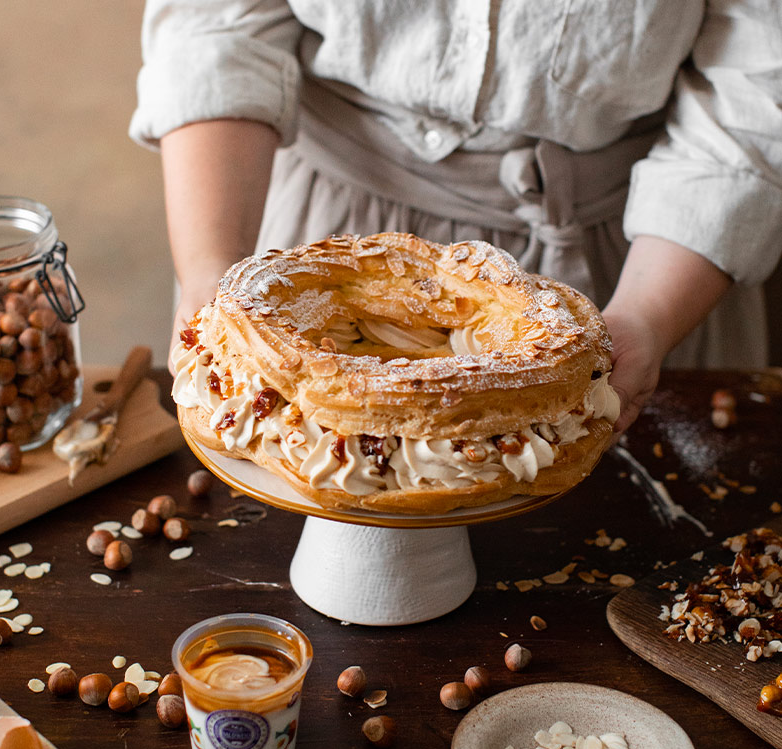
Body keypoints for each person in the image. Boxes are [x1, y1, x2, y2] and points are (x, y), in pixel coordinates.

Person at [129, 1, 782, 437]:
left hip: (646, 256)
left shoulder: (648, 299)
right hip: (319, 242)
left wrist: (646, 317)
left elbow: (754, 88)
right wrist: (209, 268)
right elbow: (216, 24)